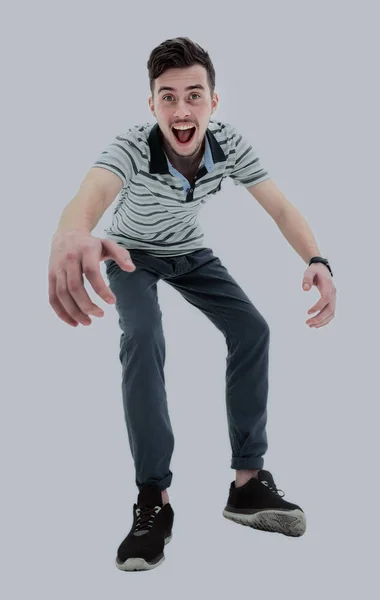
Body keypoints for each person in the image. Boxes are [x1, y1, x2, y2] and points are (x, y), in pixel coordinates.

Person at [48, 37, 337, 571]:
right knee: (143, 337)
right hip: (131, 254)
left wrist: (317, 258)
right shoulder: (134, 145)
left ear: (213, 102)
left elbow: (280, 206)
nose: (182, 111)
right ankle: (153, 500)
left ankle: (247, 486)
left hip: (191, 253)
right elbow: (89, 194)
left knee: (253, 330)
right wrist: (71, 233)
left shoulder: (229, 144)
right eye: (168, 97)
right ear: (152, 105)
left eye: (194, 96)